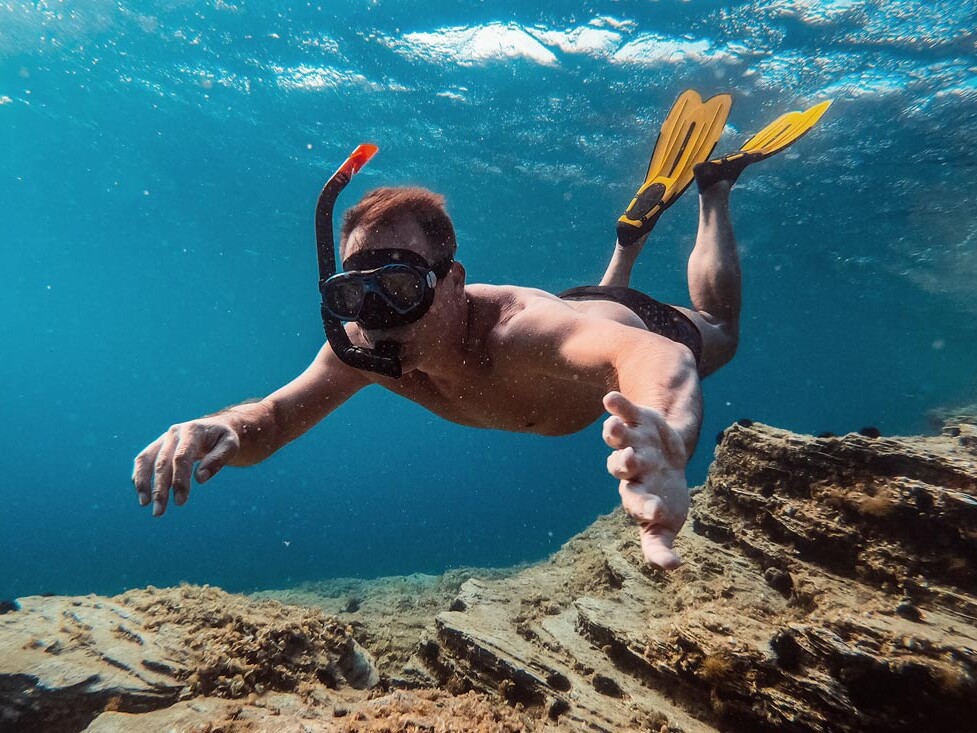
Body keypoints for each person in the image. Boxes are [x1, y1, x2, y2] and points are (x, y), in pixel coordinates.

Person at [132, 92, 830, 569]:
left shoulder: (520, 334)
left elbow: (654, 354)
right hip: (580, 310)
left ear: (453, 282)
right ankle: (629, 239)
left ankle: (713, 189)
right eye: (355, 293)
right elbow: (276, 417)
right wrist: (218, 427)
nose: (375, 316)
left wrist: (667, 437)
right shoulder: (364, 347)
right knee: (589, 318)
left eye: (399, 288)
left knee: (720, 332)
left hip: (613, 318)